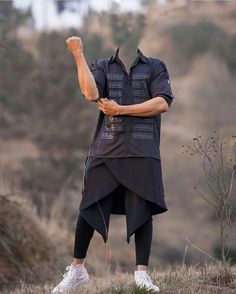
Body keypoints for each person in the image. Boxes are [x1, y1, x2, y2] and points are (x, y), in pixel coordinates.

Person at [51, 34, 174, 293]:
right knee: (87, 208)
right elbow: (90, 93)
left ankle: (142, 275)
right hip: (105, 149)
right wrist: (78, 54)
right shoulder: (101, 66)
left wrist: (121, 110)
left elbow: (162, 103)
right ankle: (77, 270)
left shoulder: (155, 66)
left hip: (143, 150)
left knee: (142, 210)